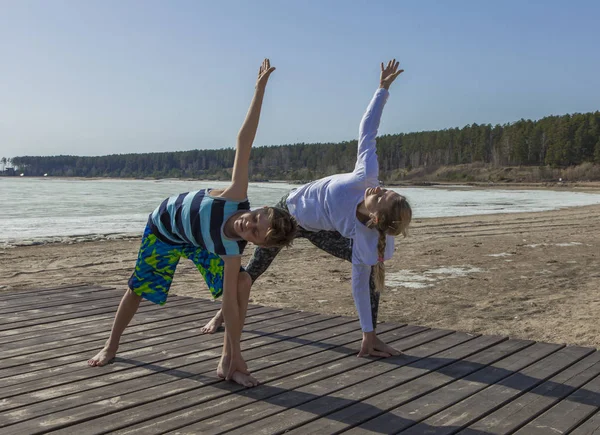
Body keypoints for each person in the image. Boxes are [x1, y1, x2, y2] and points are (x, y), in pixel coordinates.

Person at [88, 59, 297, 387]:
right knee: (138, 289)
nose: (248, 224)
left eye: (255, 232)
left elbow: (228, 303)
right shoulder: (235, 195)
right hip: (164, 230)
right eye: (255, 217)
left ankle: (228, 361)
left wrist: (238, 351)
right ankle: (110, 346)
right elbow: (245, 141)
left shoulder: (231, 251)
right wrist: (259, 90)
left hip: (199, 241)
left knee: (241, 284)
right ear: (258, 208)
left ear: (256, 245)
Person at [202, 59, 412, 358]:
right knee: (252, 272)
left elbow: (357, 286)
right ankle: (223, 315)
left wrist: (366, 332)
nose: (378, 189)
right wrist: (382, 90)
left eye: (381, 197)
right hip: (286, 215)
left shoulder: (368, 238)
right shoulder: (365, 177)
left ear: (376, 217)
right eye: (387, 189)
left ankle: (371, 338)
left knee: (368, 273)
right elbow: (368, 130)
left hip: (316, 230)